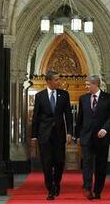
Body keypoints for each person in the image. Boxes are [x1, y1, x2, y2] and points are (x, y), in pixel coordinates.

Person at [31, 70, 73, 200]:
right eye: (56, 79)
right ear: (48, 81)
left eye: (59, 79)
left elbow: (68, 115)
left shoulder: (64, 95)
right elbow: (36, 117)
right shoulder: (40, 96)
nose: (59, 82)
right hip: (45, 135)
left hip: (59, 135)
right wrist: (34, 136)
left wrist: (69, 132)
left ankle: (57, 182)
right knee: (47, 163)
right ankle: (50, 189)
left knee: (60, 162)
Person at [75, 75, 110, 200]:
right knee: (87, 164)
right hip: (87, 137)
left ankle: (98, 190)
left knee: (101, 165)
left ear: (95, 84)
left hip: (102, 138)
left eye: (88, 84)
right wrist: (77, 135)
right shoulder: (83, 98)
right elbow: (80, 119)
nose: (86, 86)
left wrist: (105, 129)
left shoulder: (109, 98)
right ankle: (87, 188)